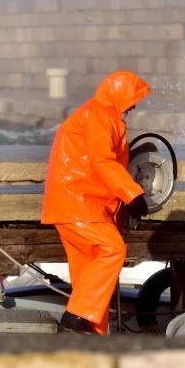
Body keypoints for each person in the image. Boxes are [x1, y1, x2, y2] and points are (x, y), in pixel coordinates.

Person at [41, 70, 150, 335]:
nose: (134, 105)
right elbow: (102, 161)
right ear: (120, 95)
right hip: (80, 204)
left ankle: (91, 336)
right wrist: (132, 194)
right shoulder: (99, 115)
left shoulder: (98, 114)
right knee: (113, 251)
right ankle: (74, 319)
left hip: (77, 204)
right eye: (133, 99)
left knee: (88, 277)